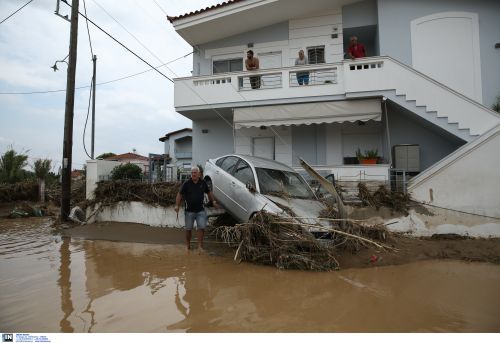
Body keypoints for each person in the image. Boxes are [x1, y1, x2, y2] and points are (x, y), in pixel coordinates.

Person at [175, 166, 218, 251]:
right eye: (192, 173)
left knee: (201, 228)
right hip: (189, 211)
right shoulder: (187, 183)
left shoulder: (203, 183)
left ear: (199, 174)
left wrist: (213, 202)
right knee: (188, 229)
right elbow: (179, 194)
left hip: (200, 211)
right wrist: (177, 205)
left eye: (195, 172)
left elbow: (209, 192)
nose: (193, 174)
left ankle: (200, 246)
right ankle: (187, 246)